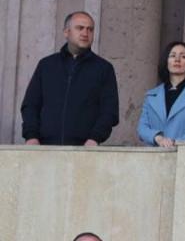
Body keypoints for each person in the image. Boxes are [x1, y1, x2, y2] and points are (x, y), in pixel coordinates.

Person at [21, 11, 119, 145]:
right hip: (45, 148)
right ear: (66, 32)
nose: (85, 33)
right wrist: (31, 136)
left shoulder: (104, 69)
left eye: (90, 29)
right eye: (80, 28)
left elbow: (109, 111)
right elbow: (30, 105)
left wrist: (95, 138)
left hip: (85, 149)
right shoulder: (46, 65)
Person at [138, 41, 185, 146]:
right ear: (166, 62)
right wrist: (158, 138)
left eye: (183, 56)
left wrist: (178, 142)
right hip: (155, 153)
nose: (177, 60)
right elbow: (142, 128)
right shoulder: (151, 96)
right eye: (172, 56)